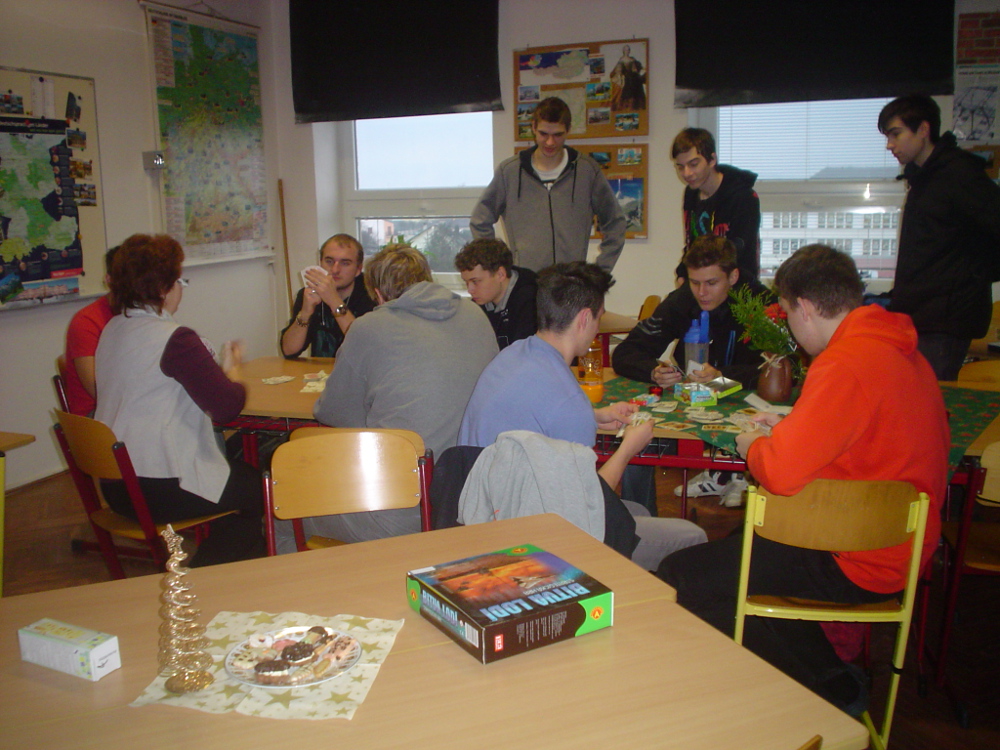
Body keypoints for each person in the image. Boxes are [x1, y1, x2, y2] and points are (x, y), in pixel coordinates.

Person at [658, 245, 949, 716]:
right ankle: (814, 674)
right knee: (739, 547)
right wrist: (789, 428)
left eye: (789, 313)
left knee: (680, 577)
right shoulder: (899, 351)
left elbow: (780, 475)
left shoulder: (843, 363)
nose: (791, 327)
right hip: (903, 544)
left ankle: (831, 690)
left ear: (806, 308)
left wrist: (750, 445)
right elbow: (858, 438)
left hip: (857, 557)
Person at [458, 261, 707, 571]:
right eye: (599, 317)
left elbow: (538, 414)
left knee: (638, 510)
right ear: (585, 318)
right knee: (691, 536)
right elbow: (585, 505)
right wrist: (627, 449)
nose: (597, 327)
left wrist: (595, 415)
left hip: (483, 513)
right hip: (528, 541)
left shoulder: (514, 354)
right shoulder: (568, 400)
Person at [288, 243, 498, 547]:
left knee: (283, 510)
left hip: (404, 506)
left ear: (378, 294)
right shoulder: (474, 314)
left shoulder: (369, 327)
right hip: (473, 498)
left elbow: (333, 414)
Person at [94, 234, 266, 567]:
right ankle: (207, 576)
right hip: (156, 486)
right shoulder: (176, 339)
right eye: (179, 281)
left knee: (234, 474)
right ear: (163, 288)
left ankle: (220, 566)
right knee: (259, 488)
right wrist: (233, 371)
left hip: (117, 484)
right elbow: (227, 407)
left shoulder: (113, 329)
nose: (180, 289)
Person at [613, 235, 771, 508]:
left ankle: (733, 480)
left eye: (711, 283)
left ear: (733, 276)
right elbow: (626, 352)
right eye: (695, 282)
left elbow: (781, 371)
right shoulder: (681, 301)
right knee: (636, 437)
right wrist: (653, 371)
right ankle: (638, 521)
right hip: (689, 406)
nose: (702, 293)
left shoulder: (762, 304)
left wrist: (723, 375)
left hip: (748, 408)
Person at [877, 94, 1000, 380]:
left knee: (928, 399)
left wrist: (974, 276)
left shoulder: (959, 174)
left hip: (945, 321)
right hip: (920, 315)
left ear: (923, 129)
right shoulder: (923, 177)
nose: (889, 145)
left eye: (896, 134)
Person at [469, 97, 626, 273]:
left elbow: (616, 224)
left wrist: (600, 272)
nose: (550, 142)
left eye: (558, 135)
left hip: (571, 281)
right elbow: (480, 220)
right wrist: (496, 267)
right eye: (544, 134)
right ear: (533, 128)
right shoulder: (510, 172)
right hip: (526, 281)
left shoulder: (587, 171)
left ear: (568, 130)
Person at [672, 128, 761, 282]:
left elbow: (739, 253)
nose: (686, 173)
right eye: (680, 167)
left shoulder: (743, 197)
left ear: (712, 160)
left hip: (737, 284)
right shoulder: (691, 194)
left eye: (693, 164)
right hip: (702, 281)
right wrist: (682, 275)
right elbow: (693, 245)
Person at [280, 233, 375, 358]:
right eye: (329, 261)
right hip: (322, 369)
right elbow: (289, 350)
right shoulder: (309, 293)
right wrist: (305, 313)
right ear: (320, 263)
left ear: (358, 269)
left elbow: (365, 346)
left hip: (358, 369)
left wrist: (333, 301)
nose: (335, 270)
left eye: (345, 263)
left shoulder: (372, 295)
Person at [63, 244, 118, 415]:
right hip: (96, 415)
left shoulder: (143, 316)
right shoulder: (86, 321)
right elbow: (98, 391)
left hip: (127, 407)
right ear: (109, 280)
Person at [454, 237, 538, 349]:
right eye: (466, 282)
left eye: (475, 281)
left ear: (500, 274)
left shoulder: (533, 303)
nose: (470, 290)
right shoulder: (478, 306)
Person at [610, 44, 646, 111]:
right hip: (628, 80)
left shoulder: (632, 59)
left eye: (628, 50)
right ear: (623, 51)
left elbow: (638, 67)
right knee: (627, 96)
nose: (627, 51)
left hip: (636, 79)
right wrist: (620, 79)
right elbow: (618, 71)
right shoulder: (621, 60)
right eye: (626, 50)